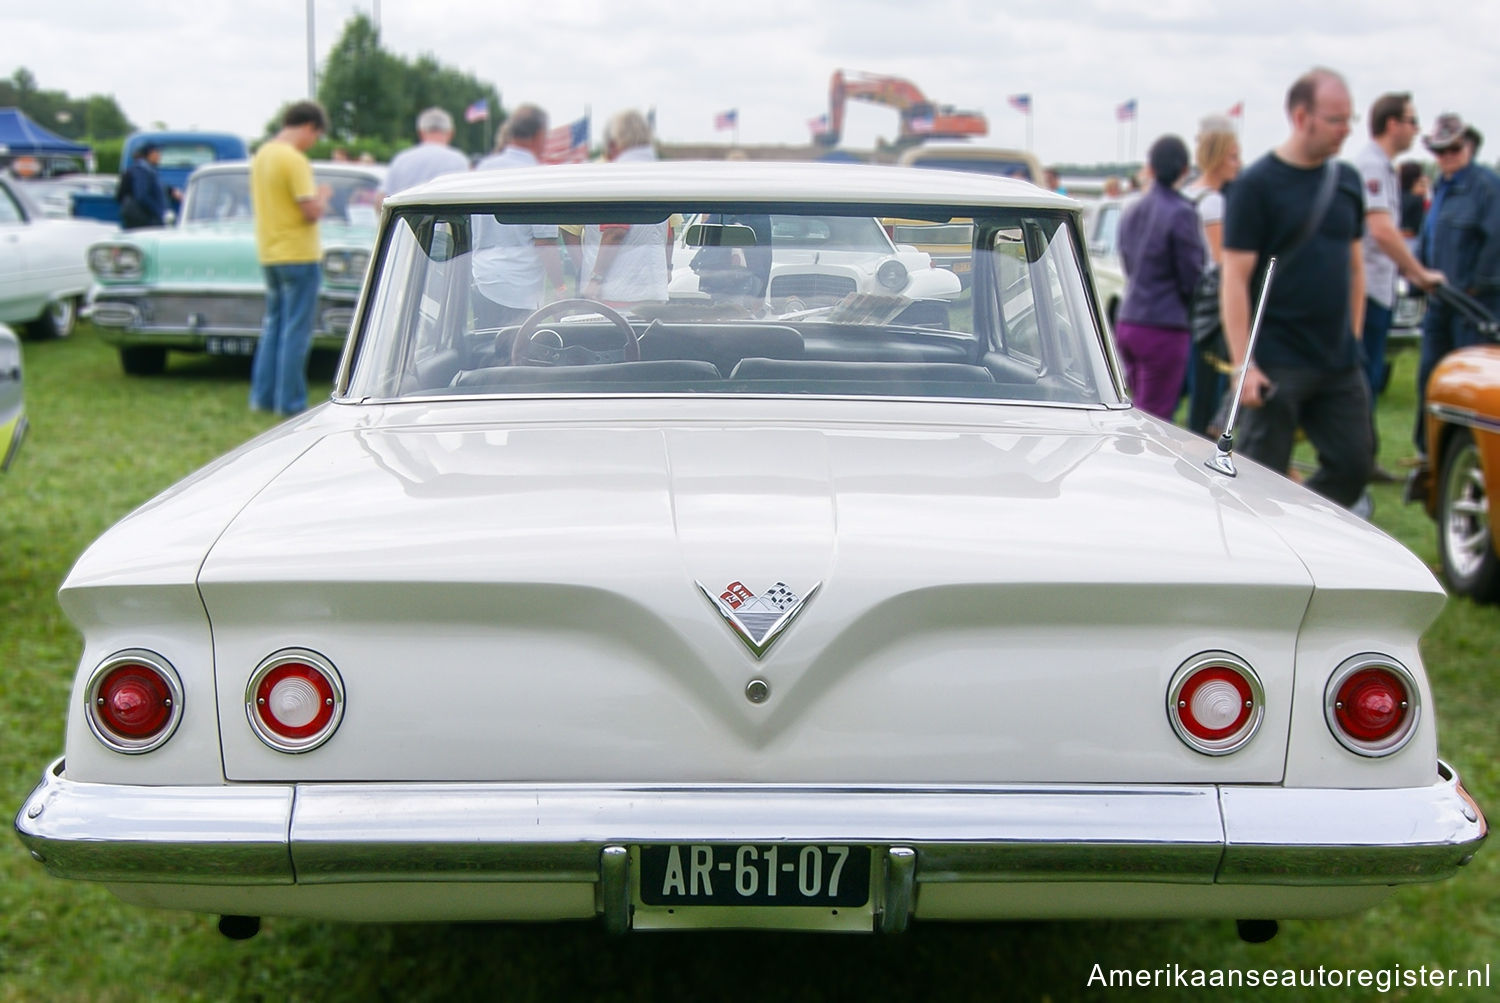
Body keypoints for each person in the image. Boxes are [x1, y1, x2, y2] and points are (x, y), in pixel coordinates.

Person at [1221, 68, 1371, 509]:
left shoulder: (1347, 180)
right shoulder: (1256, 186)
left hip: (1338, 362)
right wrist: (1241, 364)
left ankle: (1302, 529)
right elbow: (1234, 277)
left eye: (1349, 120)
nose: (1345, 131)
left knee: (1353, 466)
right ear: (1302, 116)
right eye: (1336, 120)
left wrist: (1355, 338)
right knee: (1256, 483)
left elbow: (1356, 268)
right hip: (1277, 361)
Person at [1354, 94, 1445, 479]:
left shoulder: (1385, 167)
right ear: (1392, 123)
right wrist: (1418, 272)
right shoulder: (1372, 165)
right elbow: (1382, 232)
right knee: (1363, 380)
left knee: (1371, 378)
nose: (1416, 128)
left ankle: (1362, 458)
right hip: (1368, 290)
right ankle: (1355, 461)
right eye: (1411, 120)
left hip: (1380, 287)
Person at [1412, 113, 1500, 455]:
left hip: (1475, 306)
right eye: (1440, 149)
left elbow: (1496, 241)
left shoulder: (1487, 187)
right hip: (1441, 303)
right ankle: (1428, 452)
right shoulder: (1442, 187)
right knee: (1431, 376)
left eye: (1454, 147)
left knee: (1469, 382)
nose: (1447, 155)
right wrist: (1419, 274)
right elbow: (1428, 235)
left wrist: (1476, 285)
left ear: (1469, 145)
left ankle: (1468, 451)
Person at [248, 100, 331, 416]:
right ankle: (291, 402)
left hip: (270, 251)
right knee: (297, 330)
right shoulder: (293, 160)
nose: (314, 143)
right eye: (316, 136)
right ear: (310, 127)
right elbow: (309, 211)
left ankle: (263, 396)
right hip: (299, 251)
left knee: (274, 325)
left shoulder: (263, 155)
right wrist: (323, 197)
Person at [1114, 135, 1205, 420]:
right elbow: (1191, 275)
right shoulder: (1182, 212)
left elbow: (1128, 261)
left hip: (1129, 320)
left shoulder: (1131, 210)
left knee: (1137, 409)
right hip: (1163, 325)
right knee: (1156, 419)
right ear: (1184, 169)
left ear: (1150, 168)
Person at [471, 105, 568, 328]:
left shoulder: (483, 169)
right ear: (541, 135)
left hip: (483, 277)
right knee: (515, 355)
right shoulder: (538, 175)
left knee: (484, 353)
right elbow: (544, 241)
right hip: (519, 285)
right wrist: (560, 287)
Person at [1182, 115, 1241, 436]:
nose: (1238, 163)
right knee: (1209, 386)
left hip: (1189, 300)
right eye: (1232, 156)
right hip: (1211, 305)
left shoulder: (1189, 193)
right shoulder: (1214, 202)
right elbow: (1222, 263)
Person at [579, 110, 670, 307]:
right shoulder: (659, 175)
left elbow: (615, 231)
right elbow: (668, 232)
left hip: (618, 290)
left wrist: (595, 279)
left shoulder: (619, 175)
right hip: (652, 289)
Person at [380, 107, 469, 202]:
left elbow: (381, 198)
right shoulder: (459, 161)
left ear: (420, 132)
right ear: (451, 133)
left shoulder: (401, 159)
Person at [117, 143, 171, 229]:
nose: (159, 156)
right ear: (149, 154)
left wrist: (171, 191)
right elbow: (141, 196)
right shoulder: (142, 170)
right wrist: (158, 211)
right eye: (157, 153)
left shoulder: (148, 169)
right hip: (146, 222)